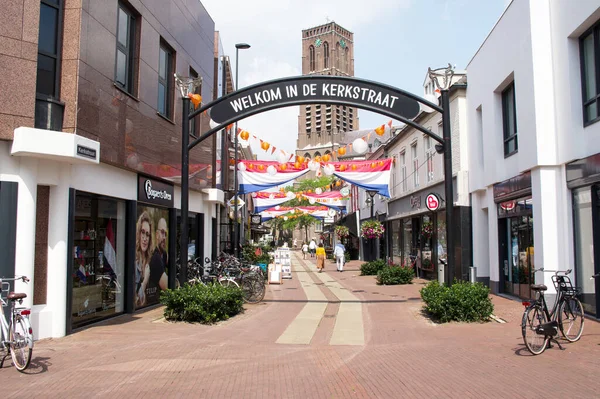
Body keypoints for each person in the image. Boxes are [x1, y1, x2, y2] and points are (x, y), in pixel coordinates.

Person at [147, 217, 169, 302]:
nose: (164, 238)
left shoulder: (163, 254)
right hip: (152, 303)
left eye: (165, 234)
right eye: (162, 233)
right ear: (156, 234)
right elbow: (167, 287)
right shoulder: (155, 257)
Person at [135, 211, 152, 307]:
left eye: (148, 234)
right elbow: (137, 300)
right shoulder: (135, 261)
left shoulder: (148, 261)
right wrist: (145, 281)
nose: (145, 238)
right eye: (142, 232)